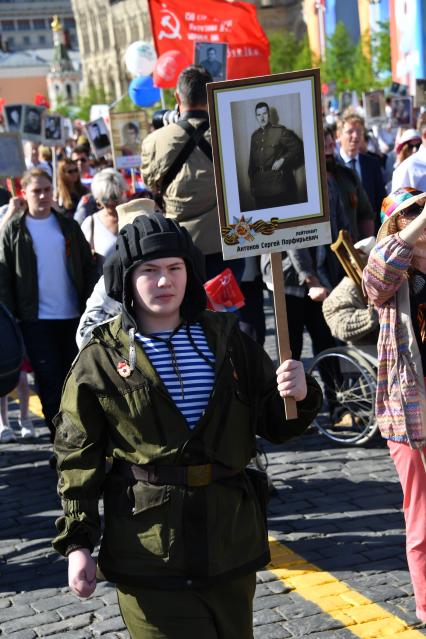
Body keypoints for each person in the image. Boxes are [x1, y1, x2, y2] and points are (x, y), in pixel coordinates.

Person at [52, 212, 322, 639]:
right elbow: (76, 456)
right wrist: (78, 543)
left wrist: (301, 395)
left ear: (190, 273)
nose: (164, 282)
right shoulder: (101, 358)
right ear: (126, 278)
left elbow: (276, 424)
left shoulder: (227, 338)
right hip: (149, 552)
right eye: (150, 271)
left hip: (229, 546)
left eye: (175, 269)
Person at [363, 187, 426, 624]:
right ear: (396, 226)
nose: (421, 218)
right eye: (411, 213)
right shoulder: (389, 274)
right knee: (422, 515)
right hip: (410, 410)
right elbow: (380, 273)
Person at [0, 168, 96, 444]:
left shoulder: (67, 225)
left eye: (46, 190)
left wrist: (88, 301)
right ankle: (61, 442)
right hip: (35, 320)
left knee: (77, 380)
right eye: (36, 191)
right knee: (49, 382)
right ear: (24, 194)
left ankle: (81, 439)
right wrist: (11, 318)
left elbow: (87, 267)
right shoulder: (14, 230)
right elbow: (4, 277)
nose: (42, 195)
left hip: (73, 316)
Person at [142, 65, 244, 282]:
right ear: (211, 93)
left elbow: (151, 184)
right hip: (228, 242)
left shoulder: (154, 141)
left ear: (177, 97)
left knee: (186, 314)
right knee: (225, 313)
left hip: (181, 246)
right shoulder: (231, 132)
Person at [248, 102, 305, 209]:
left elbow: (297, 148)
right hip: (259, 190)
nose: (262, 118)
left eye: (264, 114)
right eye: (259, 115)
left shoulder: (280, 131)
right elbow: (251, 164)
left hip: (277, 187)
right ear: (256, 117)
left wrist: (283, 159)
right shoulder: (254, 136)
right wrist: (253, 186)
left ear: (269, 115)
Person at [336, 110, 386, 230]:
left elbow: (381, 200)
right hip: (344, 235)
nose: (356, 136)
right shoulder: (333, 166)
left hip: (371, 233)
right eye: (350, 131)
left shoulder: (372, 163)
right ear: (339, 135)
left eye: (359, 131)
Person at [324, 125, 375, 241]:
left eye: (331, 145)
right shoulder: (307, 185)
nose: (328, 151)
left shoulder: (348, 175)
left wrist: (365, 247)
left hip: (352, 250)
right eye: (324, 147)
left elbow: (365, 213)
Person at [80, 168, 127, 276]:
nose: (111, 202)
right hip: (104, 289)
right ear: (97, 199)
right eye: (105, 199)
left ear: (122, 193)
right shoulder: (91, 224)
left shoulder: (135, 218)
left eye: (114, 197)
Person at [391, 119, 426, 192]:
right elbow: (397, 203)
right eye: (410, 146)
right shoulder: (403, 169)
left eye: (418, 145)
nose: (414, 150)